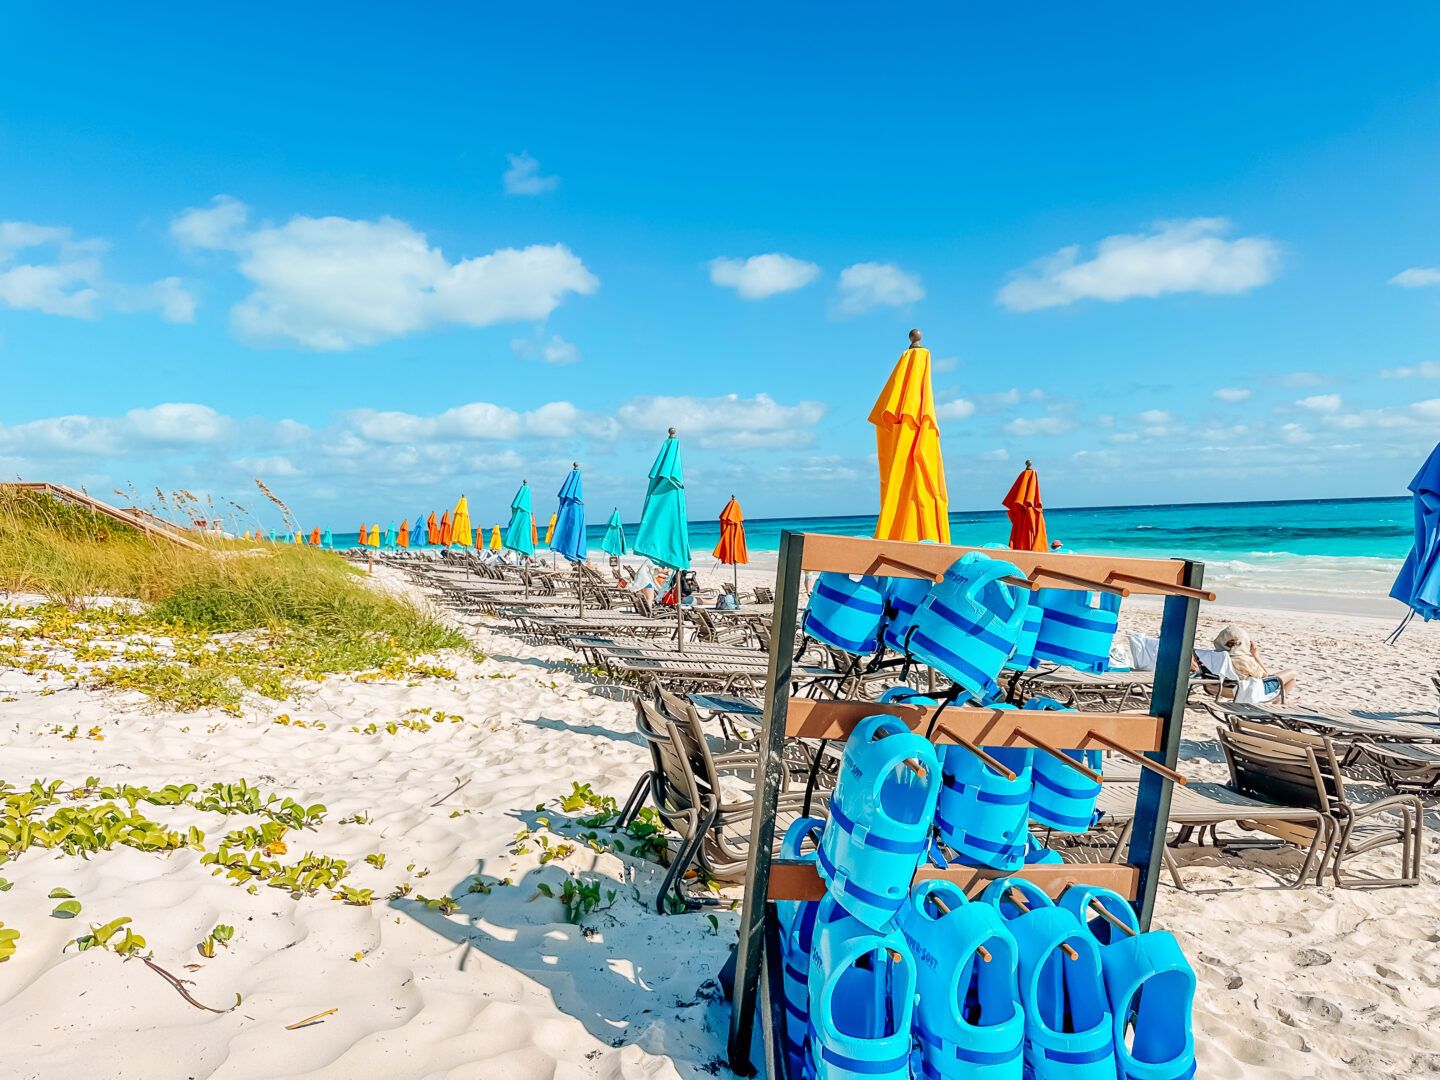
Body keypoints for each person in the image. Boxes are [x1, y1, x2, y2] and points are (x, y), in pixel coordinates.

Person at [1214, 625, 1297, 701]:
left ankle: (1279, 704)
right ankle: (1278, 705)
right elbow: (1266, 676)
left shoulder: (1216, 656)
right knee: (1292, 674)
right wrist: (1255, 655)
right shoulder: (1242, 660)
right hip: (1242, 690)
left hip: (1220, 689)